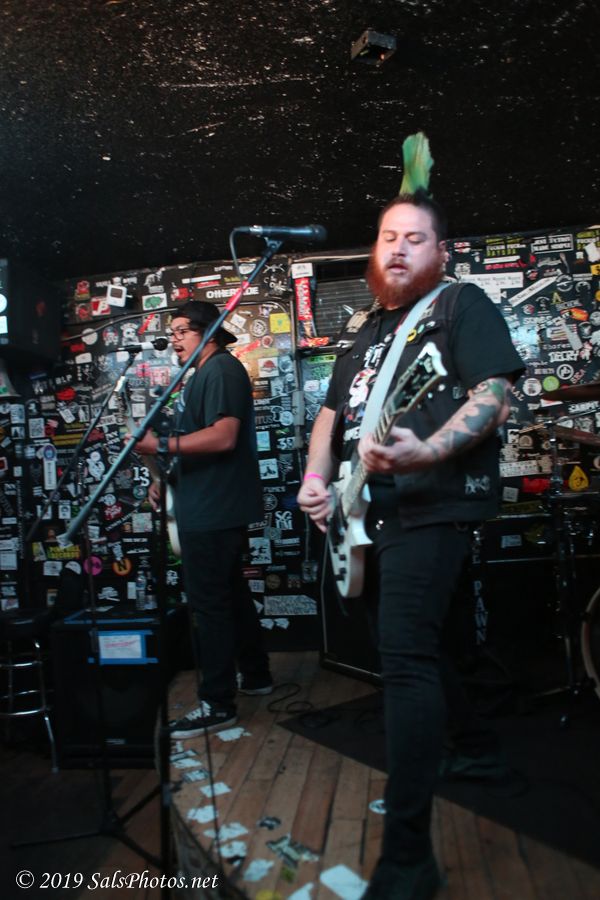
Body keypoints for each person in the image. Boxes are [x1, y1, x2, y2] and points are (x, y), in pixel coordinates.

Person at [297, 190, 525, 900]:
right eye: (387, 236)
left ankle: (407, 859)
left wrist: (426, 450)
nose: (398, 248)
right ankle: (477, 748)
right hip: (363, 512)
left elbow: (493, 394)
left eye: (415, 237)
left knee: (403, 661)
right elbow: (330, 416)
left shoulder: (459, 306)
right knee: (419, 650)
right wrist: (316, 481)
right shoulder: (366, 332)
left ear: (441, 251)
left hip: (432, 507)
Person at [135, 300, 272, 737]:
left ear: (208, 331)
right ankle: (256, 675)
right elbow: (197, 445)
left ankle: (217, 704)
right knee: (231, 595)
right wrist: (166, 480)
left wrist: (160, 447)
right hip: (207, 504)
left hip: (213, 510)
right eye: (172, 332)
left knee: (210, 607)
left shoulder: (221, 370)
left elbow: (223, 437)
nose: (173, 340)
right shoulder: (204, 374)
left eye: (181, 330)